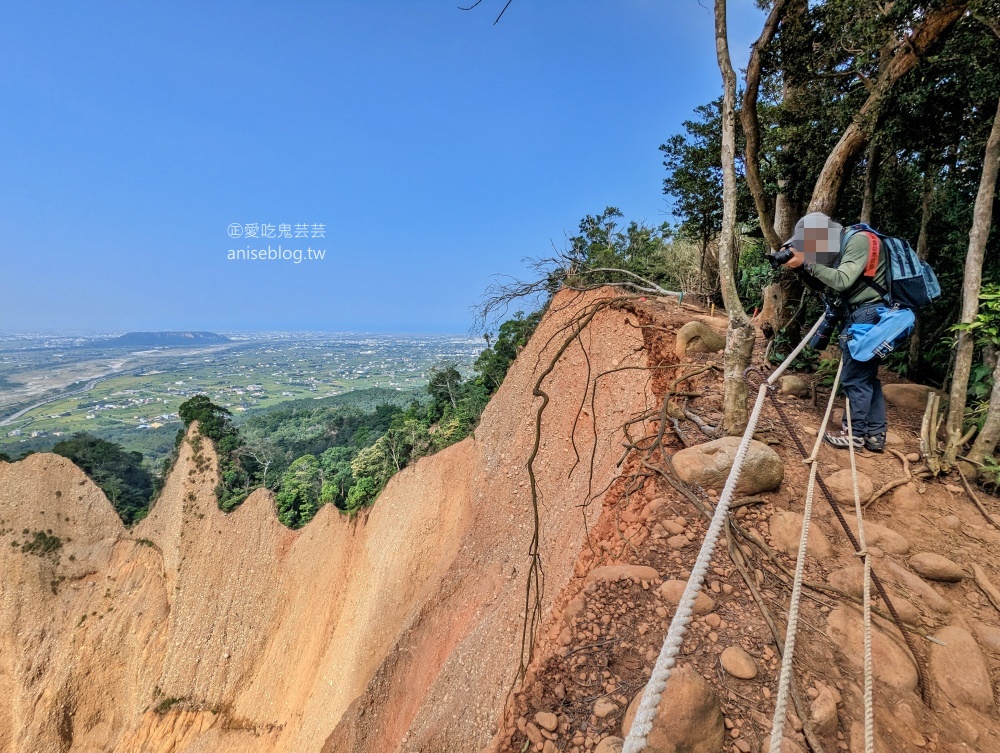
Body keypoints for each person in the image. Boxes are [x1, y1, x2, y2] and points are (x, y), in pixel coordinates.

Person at [780, 212, 890, 452]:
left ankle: (854, 435)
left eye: (808, 242)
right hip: (861, 313)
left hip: (869, 313)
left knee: (855, 377)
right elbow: (822, 285)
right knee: (865, 375)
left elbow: (842, 281)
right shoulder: (836, 247)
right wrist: (801, 268)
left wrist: (808, 262)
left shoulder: (858, 240)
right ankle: (874, 435)